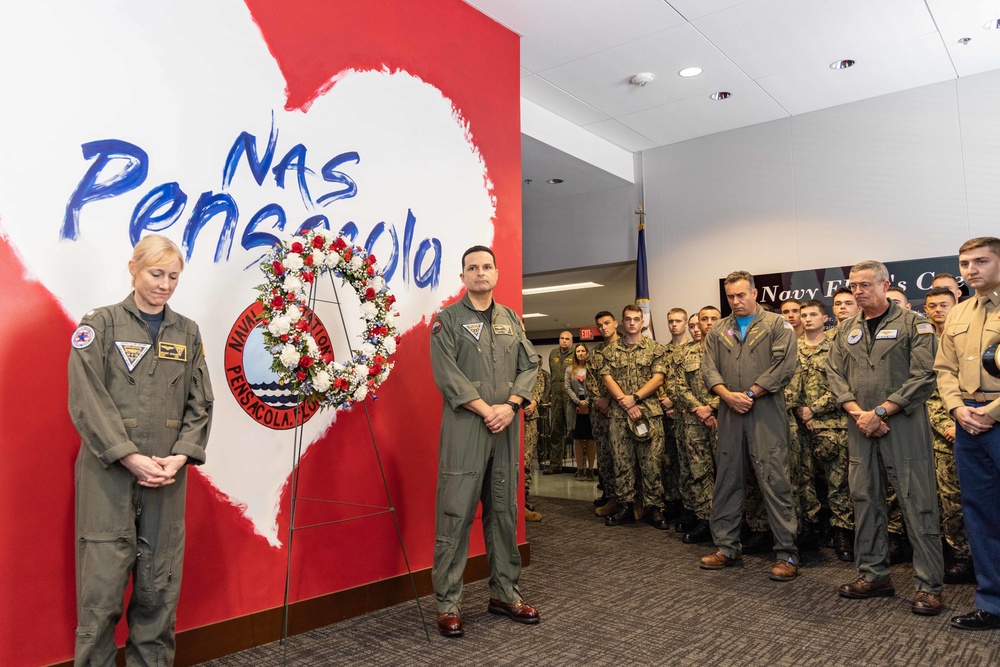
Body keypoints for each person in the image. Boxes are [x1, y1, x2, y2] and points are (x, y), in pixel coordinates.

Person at [68, 234, 213, 666]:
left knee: (159, 587)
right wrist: (128, 455)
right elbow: (86, 399)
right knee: (101, 588)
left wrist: (182, 454)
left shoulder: (187, 332)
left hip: (167, 477)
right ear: (133, 269)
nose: (165, 284)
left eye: (173, 276)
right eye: (156, 273)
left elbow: (200, 401)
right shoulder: (99, 325)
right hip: (108, 476)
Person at [429, 245, 541, 637]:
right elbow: (447, 375)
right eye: (472, 268)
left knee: (504, 514)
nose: (480, 273)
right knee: (455, 516)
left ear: (496, 273)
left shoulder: (511, 319)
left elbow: (530, 365)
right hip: (467, 429)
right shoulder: (447, 321)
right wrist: (486, 409)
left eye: (487, 266)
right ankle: (448, 603)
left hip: (505, 427)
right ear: (463, 277)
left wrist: (510, 406)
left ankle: (505, 594)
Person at [826, 260, 944, 617]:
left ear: (884, 284)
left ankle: (928, 586)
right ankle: (874, 575)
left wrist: (881, 412)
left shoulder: (915, 324)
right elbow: (833, 372)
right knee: (864, 500)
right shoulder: (846, 329)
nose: (857, 292)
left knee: (916, 501)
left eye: (864, 285)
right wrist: (857, 412)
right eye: (852, 286)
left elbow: (925, 375)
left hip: (902, 425)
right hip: (859, 426)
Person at [699, 270, 800, 582]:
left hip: (765, 412)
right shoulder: (718, 330)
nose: (736, 301)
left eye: (741, 295)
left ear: (755, 293)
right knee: (727, 480)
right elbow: (708, 368)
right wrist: (727, 395)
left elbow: (784, 366)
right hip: (730, 413)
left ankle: (786, 552)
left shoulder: (776, 325)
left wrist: (751, 393)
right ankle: (726, 547)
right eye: (730, 296)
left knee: (775, 481)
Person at [934, 237, 1000, 630]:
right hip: (967, 420)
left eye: (982, 261)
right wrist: (958, 408)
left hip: (995, 415)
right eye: (964, 263)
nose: (971, 270)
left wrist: (991, 412)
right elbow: (944, 369)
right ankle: (992, 603)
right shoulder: (958, 314)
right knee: (979, 514)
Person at [794, 300, 853, 562]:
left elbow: (843, 386)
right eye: (803, 314)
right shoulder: (791, 350)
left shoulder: (835, 348)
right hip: (797, 426)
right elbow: (784, 384)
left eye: (813, 314)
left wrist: (813, 411)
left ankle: (842, 531)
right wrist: (799, 410)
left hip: (833, 425)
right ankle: (810, 527)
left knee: (837, 482)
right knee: (802, 480)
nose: (807, 319)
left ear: (824, 317)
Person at [600, 304, 669, 529]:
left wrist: (635, 398)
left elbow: (658, 378)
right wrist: (625, 401)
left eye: (636, 319)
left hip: (648, 414)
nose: (632, 322)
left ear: (643, 323)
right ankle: (626, 506)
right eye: (628, 319)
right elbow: (607, 378)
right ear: (622, 322)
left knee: (652, 463)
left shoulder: (655, 348)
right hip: (620, 415)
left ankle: (655, 508)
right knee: (622, 462)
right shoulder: (610, 351)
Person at [922, 287, 973, 582]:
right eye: (932, 306)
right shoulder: (924, 341)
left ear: (958, 306)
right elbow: (928, 394)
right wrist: (946, 423)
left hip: (979, 424)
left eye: (944, 305)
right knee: (949, 498)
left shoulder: (969, 338)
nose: (938, 310)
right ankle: (961, 555)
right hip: (942, 434)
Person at [669, 306, 721, 544]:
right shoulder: (685, 354)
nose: (708, 323)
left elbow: (738, 382)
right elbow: (679, 386)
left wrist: (711, 407)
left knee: (726, 473)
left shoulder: (730, 350)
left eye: (714, 319)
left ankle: (730, 522)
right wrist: (701, 410)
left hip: (723, 420)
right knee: (699, 472)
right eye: (704, 319)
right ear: (697, 323)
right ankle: (705, 519)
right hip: (693, 421)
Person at [589, 311, 620, 516]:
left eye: (607, 323)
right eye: (599, 325)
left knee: (622, 456)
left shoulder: (627, 348)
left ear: (616, 323)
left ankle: (625, 498)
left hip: (621, 410)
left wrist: (611, 400)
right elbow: (590, 380)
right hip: (600, 413)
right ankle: (610, 495)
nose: (604, 328)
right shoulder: (595, 353)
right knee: (605, 456)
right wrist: (599, 400)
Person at [543, 331, 575, 474]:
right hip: (556, 396)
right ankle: (555, 464)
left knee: (575, 430)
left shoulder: (576, 353)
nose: (564, 341)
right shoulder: (553, 353)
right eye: (562, 338)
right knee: (556, 430)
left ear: (571, 341)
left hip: (570, 396)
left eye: (567, 339)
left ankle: (582, 466)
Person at [522, 367, 550, 522]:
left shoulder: (528, 355)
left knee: (525, 462)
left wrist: (533, 403)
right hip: (508, 415)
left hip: (529, 416)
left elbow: (539, 381)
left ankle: (522, 499)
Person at [566, 343, 596, 481]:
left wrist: (587, 402)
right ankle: (580, 469)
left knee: (590, 440)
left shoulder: (592, 369)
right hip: (574, 406)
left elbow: (595, 386)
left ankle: (590, 470)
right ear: (575, 353)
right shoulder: (569, 369)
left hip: (590, 406)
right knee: (577, 440)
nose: (580, 353)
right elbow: (567, 387)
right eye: (578, 351)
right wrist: (578, 401)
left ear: (587, 352)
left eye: (583, 351)